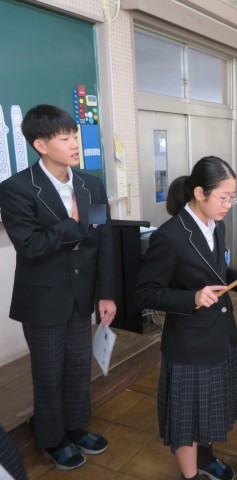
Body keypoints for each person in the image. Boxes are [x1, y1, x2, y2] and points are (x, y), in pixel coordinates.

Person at [0, 105, 115, 471]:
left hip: (82, 296)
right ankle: (52, 439)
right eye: (65, 138)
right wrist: (71, 223)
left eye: (74, 136)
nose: (75, 144)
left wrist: (106, 293)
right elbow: (30, 246)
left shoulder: (90, 185)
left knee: (79, 366)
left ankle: (74, 427)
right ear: (41, 145)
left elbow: (102, 240)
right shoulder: (16, 189)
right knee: (49, 373)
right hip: (43, 299)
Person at [136, 156, 237, 480]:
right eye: (224, 197)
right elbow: (146, 292)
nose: (228, 205)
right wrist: (191, 298)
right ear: (199, 193)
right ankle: (190, 475)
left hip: (220, 334)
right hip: (189, 344)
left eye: (232, 198)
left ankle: (205, 457)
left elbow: (216, 270)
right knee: (188, 418)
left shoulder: (216, 225)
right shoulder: (170, 236)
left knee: (210, 408)